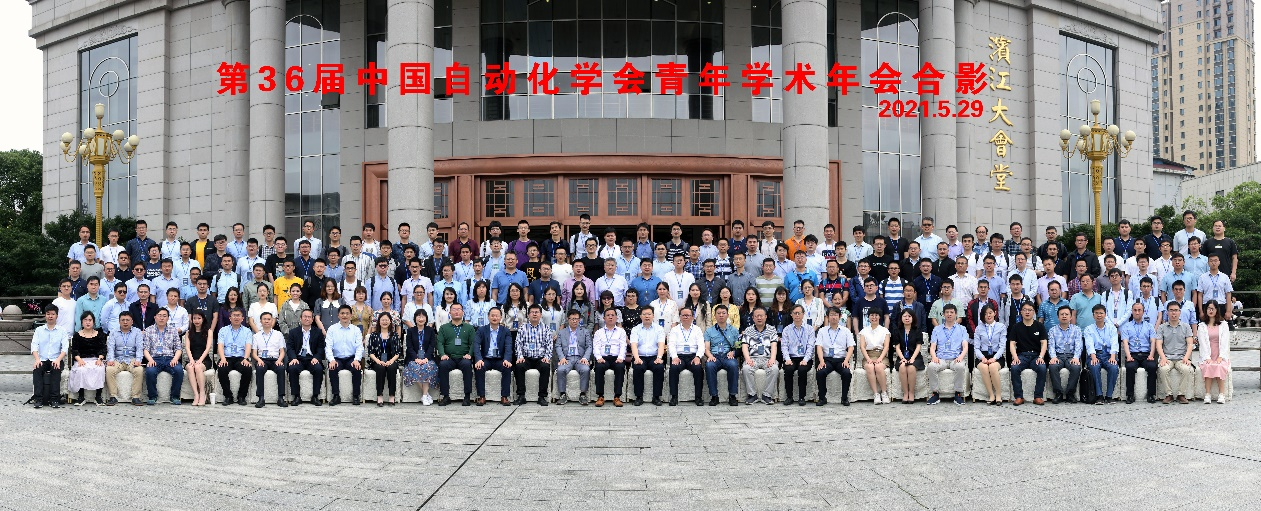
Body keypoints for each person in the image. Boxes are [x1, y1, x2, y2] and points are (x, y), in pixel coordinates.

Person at [926, 304, 968, 405]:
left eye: (952, 312)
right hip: (941, 359)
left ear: (956, 314)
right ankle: (935, 394)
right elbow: (932, 347)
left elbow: (965, 346)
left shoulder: (962, 329)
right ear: (943, 314)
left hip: (955, 358)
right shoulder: (937, 329)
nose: (949, 314)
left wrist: (961, 357)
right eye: (947, 312)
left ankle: (958, 394)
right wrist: (934, 357)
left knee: (960, 366)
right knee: (931, 366)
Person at [437, 303, 477, 406]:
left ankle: (467, 396)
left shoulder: (469, 328)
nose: (456, 311)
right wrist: (442, 354)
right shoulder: (444, 328)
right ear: (450, 313)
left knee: (467, 365)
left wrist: (470, 354)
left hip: (464, 357)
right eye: (454, 309)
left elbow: (473, 343)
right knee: (443, 365)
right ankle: (445, 396)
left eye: (459, 309)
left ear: (463, 312)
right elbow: (440, 342)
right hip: (449, 358)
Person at [141, 307, 184, 406]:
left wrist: (175, 359)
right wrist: (150, 360)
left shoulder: (173, 330)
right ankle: (152, 396)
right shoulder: (149, 330)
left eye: (164, 316)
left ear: (168, 318)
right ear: (155, 317)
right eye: (159, 315)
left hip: (170, 358)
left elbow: (178, 348)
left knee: (179, 370)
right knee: (150, 371)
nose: (162, 318)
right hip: (155, 358)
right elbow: (145, 349)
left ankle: (175, 396)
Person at [514, 305, 555, 406]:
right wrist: (520, 356)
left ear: (541, 315)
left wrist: (547, 357)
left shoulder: (546, 328)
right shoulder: (522, 328)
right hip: (526, 357)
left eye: (537, 312)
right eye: (532, 312)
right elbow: (518, 343)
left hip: (540, 358)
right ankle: (521, 396)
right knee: (519, 366)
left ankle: (542, 397)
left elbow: (549, 345)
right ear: (528, 315)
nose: (535, 314)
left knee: (545, 366)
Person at [1155, 301, 1194, 404]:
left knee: (1186, 369)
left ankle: (1181, 394)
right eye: (1171, 310)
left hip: (1181, 358)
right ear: (1167, 312)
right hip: (1167, 358)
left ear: (1180, 312)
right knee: (1163, 369)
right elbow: (1158, 344)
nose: (1173, 313)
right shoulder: (1162, 327)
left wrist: (1186, 357)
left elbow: (1190, 344)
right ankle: (1169, 394)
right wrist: (1163, 358)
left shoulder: (1186, 327)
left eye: (1176, 310)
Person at [665, 307, 705, 407]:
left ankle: (698, 397)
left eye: (688, 315)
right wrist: (674, 357)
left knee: (698, 369)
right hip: (679, 356)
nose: (686, 317)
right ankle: (674, 397)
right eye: (683, 315)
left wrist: (698, 357)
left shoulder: (697, 329)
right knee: (674, 368)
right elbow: (671, 345)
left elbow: (701, 345)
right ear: (680, 317)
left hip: (693, 356)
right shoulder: (674, 330)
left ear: (692, 317)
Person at [285, 309, 326, 406]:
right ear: (301, 318)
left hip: (312, 358)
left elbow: (321, 348)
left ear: (312, 319)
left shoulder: (318, 332)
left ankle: (315, 396)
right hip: (298, 358)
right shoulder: (293, 332)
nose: (307, 319)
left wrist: (316, 358)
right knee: (292, 368)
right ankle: (296, 397)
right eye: (305, 316)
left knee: (318, 369)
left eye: (309, 317)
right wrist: (293, 358)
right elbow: (290, 347)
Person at [739, 307, 780, 405]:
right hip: (752, 358)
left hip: (767, 358)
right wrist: (747, 359)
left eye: (761, 315)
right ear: (753, 318)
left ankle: (767, 395)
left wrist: (772, 359)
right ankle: (752, 395)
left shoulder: (772, 329)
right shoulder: (748, 330)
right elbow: (744, 346)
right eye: (756, 316)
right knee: (746, 368)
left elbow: (774, 346)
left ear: (766, 317)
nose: (759, 318)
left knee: (774, 368)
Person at [326, 305, 365, 405]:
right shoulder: (332, 329)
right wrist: (331, 360)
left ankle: (356, 396)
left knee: (357, 368)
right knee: (332, 368)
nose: (345, 315)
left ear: (351, 315)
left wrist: (357, 360)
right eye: (342, 313)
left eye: (347, 313)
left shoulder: (356, 330)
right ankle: (336, 396)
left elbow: (359, 347)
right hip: (337, 358)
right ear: (338, 315)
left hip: (351, 358)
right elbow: (328, 347)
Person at [704, 306, 741, 406]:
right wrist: (710, 356)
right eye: (719, 313)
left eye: (723, 313)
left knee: (733, 365)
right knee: (709, 365)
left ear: (727, 315)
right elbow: (706, 348)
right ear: (714, 316)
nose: (721, 315)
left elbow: (738, 347)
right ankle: (714, 396)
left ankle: (732, 396)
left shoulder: (734, 330)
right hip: (714, 356)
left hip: (727, 355)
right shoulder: (709, 331)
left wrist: (733, 352)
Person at [105, 311, 145, 406]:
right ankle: (113, 396)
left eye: (127, 320)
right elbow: (111, 348)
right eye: (123, 320)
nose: (125, 322)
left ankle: (135, 397)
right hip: (118, 359)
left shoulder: (137, 332)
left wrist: (138, 360)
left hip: (132, 359)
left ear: (132, 321)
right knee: (109, 369)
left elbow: (139, 348)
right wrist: (111, 360)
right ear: (119, 321)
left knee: (139, 370)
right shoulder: (113, 332)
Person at [67, 311, 107, 406]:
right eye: (85, 320)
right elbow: (74, 350)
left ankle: (98, 397)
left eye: (90, 320)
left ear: (93, 322)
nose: (88, 322)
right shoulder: (77, 335)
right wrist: (79, 360)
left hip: (96, 359)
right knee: (81, 370)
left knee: (100, 369)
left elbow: (103, 349)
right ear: (81, 322)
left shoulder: (99, 334)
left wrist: (100, 359)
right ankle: (81, 397)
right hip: (81, 359)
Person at [629, 307, 666, 406]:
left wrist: (659, 357)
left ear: (653, 316)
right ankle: (639, 397)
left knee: (659, 367)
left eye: (649, 314)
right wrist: (636, 358)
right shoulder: (636, 329)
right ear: (641, 316)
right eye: (644, 314)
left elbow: (661, 344)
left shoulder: (659, 329)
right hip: (640, 356)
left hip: (654, 356)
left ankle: (656, 397)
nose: (647, 316)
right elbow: (634, 345)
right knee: (638, 367)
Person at [555, 310, 593, 405]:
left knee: (585, 369)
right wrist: (562, 358)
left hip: (580, 358)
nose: (574, 321)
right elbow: (558, 346)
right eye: (572, 319)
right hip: (567, 358)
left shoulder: (585, 331)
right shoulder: (562, 332)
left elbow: (589, 346)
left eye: (576, 319)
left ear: (579, 320)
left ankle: (583, 394)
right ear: (568, 319)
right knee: (560, 370)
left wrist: (585, 358)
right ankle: (562, 394)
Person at [1083, 304, 1120, 404]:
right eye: (1096, 313)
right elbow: (1089, 344)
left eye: (1101, 313)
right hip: (1095, 354)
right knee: (1094, 367)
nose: (1099, 315)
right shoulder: (1088, 329)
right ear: (1093, 315)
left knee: (1114, 367)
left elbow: (1114, 343)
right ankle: (1099, 396)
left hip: (1108, 355)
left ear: (1105, 314)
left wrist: (1113, 356)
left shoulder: (1111, 328)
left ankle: (1109, 396)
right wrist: (1093, 357)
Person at [250, 311, 288, 408]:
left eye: (268, 319)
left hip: (275, 359)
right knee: (259, 369)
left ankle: (281, 398)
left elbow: (282, 351)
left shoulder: (278, 334)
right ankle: (261, 398)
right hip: (262, 359)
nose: (266, 321)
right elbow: (254, 353)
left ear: (272, 321)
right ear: (260, 321)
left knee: (281, 369)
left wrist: (279, 360)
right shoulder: (256, 336)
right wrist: (258, 360)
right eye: (264, 319)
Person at [216, 308, 253, 406]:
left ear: (242, 318)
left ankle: (242, 396)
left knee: (247, 369)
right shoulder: (223, 330)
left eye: (238, 315)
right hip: (226, 357)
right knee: (222, 368)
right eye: (234, 315)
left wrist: (246, 358)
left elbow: (248, 346)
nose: (236, 318)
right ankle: (228, 396)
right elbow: (220, 346)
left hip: (241, 358)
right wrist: (222, 358)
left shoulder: (247, 331)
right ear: (230, 318)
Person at [1046, 306, 1083, 404]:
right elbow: (1051, 346)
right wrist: (1053, 357)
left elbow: (1079, 345)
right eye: (1062, 314)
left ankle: (1070, 393)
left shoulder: (1076, 329)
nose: (1064, 316)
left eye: (1067, 314)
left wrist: (1076, 357)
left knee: (1076, 367)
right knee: (1053, 366)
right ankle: (1058, 393)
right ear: (1058, 317)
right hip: (1058, 356)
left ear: (1071, 317)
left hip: (1071, 356)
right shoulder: (1052, 330)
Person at [402, 309, 439, 406]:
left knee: (427, 367)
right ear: (415, 318)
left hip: (428, 358)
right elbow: (409, 347)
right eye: (419, 316)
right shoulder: (410, 331)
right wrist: (416, 358)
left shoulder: (430, 330)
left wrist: (426, 358)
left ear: (426, 318)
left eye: (423, 316)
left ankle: (424, 395)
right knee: (415, 367)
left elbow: (432, 346)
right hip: (413, 358)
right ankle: (426, 394)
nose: (421, 319)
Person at [592, 309, 628, 407]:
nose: (610, 317)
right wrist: (599, 358)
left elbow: (623, 346)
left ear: (616, 317)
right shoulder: (599, 332)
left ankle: (617, 397)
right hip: (603, 358)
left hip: (616, 358)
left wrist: (621, 357)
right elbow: (596, 346)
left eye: (612, 315)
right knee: (599, 367)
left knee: (620, 367)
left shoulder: (621, 331)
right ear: (604, 318)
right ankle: (600, 396)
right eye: (608, 315)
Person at [364, 312, 401, 407]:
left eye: (387, 320)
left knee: (392, 368)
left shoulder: (394, 335)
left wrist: (391, 361)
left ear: (390, 322)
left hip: (391, 360)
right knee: (380, 368)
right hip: (377, 360)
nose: (385, 322)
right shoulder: (374, 335)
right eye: (382, 320)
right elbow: (370, 352)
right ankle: (379, 396)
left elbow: (398, 352)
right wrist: (378, 361)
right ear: (379, 322)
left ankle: (392, 396)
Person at [1196, 301, 1230, 404]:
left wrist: (1221, 356)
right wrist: (1207, 357)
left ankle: (1222, 394)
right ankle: (1207, 394)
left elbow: (1225, 342)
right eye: (1208, 308)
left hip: (1220, 354)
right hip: (1207, 354)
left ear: (1216, 310)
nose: (1210, 311)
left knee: (1219, 366)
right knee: (1208, 365)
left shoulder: (1223, 325)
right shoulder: (1202, 326)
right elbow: (1202, 343)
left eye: (1212, 308)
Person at [973, 305, 1006, 405]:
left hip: (997, 355)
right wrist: (982, 357)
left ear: (995, 313)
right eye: (985, 314)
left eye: (990, 313)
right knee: (984, 367)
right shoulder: (979, 328)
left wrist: (994, 358)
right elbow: (976, 348)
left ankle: (998, 395)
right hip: (982, 355)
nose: (988, 315)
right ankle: (991, 395)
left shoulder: (1001, 327)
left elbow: (1002, 346)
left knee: (992, 367)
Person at [889, 308, 923, 405]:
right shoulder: (897, 330)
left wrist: (912, 359)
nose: (907, 318)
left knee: (911, 367)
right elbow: (897, 347)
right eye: (904, 316)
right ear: (901, 318)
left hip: (915, 356)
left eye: (909, 316)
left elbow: (918, 346)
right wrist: (903, 358)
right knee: (903, 367)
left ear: (913, 318)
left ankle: (911, 393)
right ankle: (905, 393)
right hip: (902, 356)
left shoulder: (917, 330)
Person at [857, 309, 891, 404]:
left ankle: (884, 393)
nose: (874, 317)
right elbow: (862, 347)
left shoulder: (885, 331)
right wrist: (868, 359)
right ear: (868, 317)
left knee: (879, 367)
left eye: (876, 315)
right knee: (870, 367)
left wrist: (880, 358)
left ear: (880, 317)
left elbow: (886, 346)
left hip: (881, 355)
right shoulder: (864, 331)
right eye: (872, 315)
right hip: (869, 355)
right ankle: (876, 394)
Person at [181, 311, 212, 406]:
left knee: (198, 367)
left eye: (199, 318)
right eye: (194, 318)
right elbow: (187, 348)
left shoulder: (209, 332)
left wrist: (200, 360)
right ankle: (196, 395)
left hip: (204, 359)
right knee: (190, 367)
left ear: (203, 319)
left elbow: (208, 348)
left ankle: (202, 393)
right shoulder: (188, 333)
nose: (196, 320)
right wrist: (191, 360)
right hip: (191, 358)